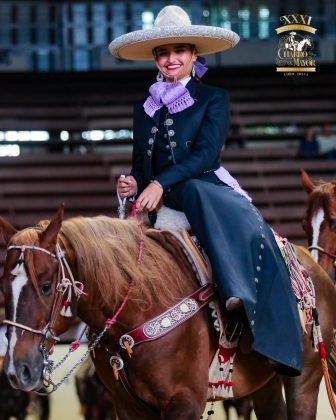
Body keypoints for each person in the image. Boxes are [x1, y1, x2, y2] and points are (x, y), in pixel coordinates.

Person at [110, 5, 302, 376]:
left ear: (193, 54)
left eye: (179, 51)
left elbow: (205, 155)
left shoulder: (213, 97)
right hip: (161, 197)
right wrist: (133, 182)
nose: (170, 59)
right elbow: (141, 163)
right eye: (163, 52)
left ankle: (241, 303)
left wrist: (160, 182)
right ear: (155, 58)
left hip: (204, 190)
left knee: (197, 191)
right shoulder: (143, 107)